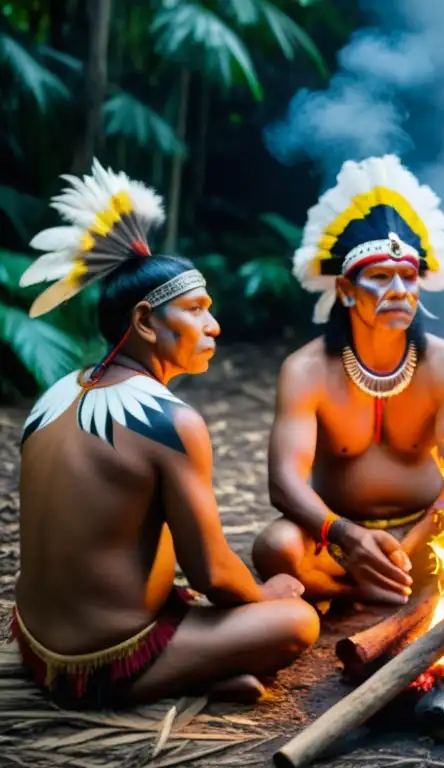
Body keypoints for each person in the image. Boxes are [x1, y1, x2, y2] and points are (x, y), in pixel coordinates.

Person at [12, 160, 319, 710]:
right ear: (147, 322)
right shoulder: (171, 422)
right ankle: (190, 672)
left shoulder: (56, 393)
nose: (214, 326)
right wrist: (263, 595)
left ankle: (207, 667)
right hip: (101, 661)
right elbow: (212, 575)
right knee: (297, 620)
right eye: (197, 311)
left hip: (37, 649)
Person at [251, 155, 444, 611]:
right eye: (381, 278)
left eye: (408, 277)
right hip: (338, 540)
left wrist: (408, 546)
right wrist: (347, 535)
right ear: (345, 289)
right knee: (278, 548)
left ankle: (375, 589)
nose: (399, 291)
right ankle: (377, 589)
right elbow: (284, 483)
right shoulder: (306, 370)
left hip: (430, 536)